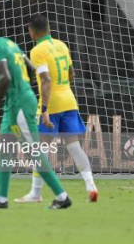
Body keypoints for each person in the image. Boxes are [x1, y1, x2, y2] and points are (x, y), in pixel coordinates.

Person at [0, 21, 72, 209]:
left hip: (19, 104)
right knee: (5, 150)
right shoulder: (9, 43)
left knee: (34, 151)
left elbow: (5, 77)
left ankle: (62, 196)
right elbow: (30, 67)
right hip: (15, 103)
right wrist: (24, 87)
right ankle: (0, 198)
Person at [15, 14, 98, 203]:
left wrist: (44, 109)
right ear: (49, 28)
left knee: (40, 149)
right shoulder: (62, 45)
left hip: (51, 104)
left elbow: (46, 80)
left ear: (32, 32)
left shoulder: (37, 50)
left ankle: (36, 193)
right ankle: (91, 186)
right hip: (69, 100)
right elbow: (71, 73)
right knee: (74, 147)